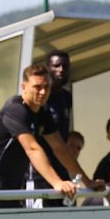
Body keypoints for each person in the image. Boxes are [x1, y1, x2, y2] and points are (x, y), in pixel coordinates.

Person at [0, 62, 96, 209]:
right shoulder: (15, 109)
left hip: (14, 193)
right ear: (23, 87)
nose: (43, 92)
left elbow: (59, 148)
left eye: (46, 87)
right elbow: (32, 148)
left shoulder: (42, 112)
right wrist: (57, 183)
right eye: (37, 87)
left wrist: (88, 182)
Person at [27, 50, 75, 207]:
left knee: (67, 213)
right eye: (56, 66)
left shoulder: (67, 98)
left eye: (65, 66)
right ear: (48, 69)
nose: (61, 70)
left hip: (62, 168)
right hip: (40, 172)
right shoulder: (40, 101)